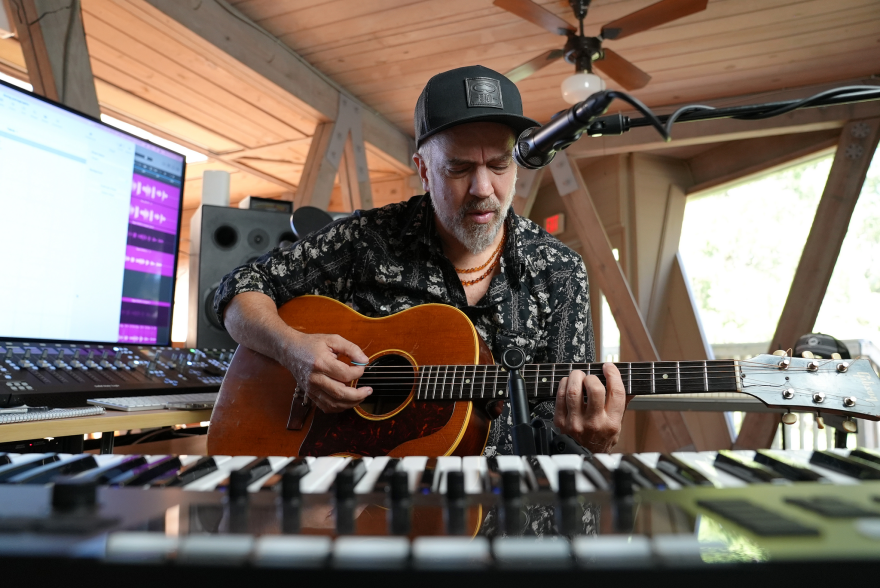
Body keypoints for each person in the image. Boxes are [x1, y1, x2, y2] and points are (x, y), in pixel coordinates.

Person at [214, 65, 627, 458]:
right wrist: (293, 351)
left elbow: (567, 425)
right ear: (423, 171)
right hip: (376, 509)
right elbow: (235, 291)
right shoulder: (366, 239)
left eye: (499, 166)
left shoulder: (560, 271)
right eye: (459, 168)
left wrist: (589, 441)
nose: (483, 188)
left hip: (514, 515)